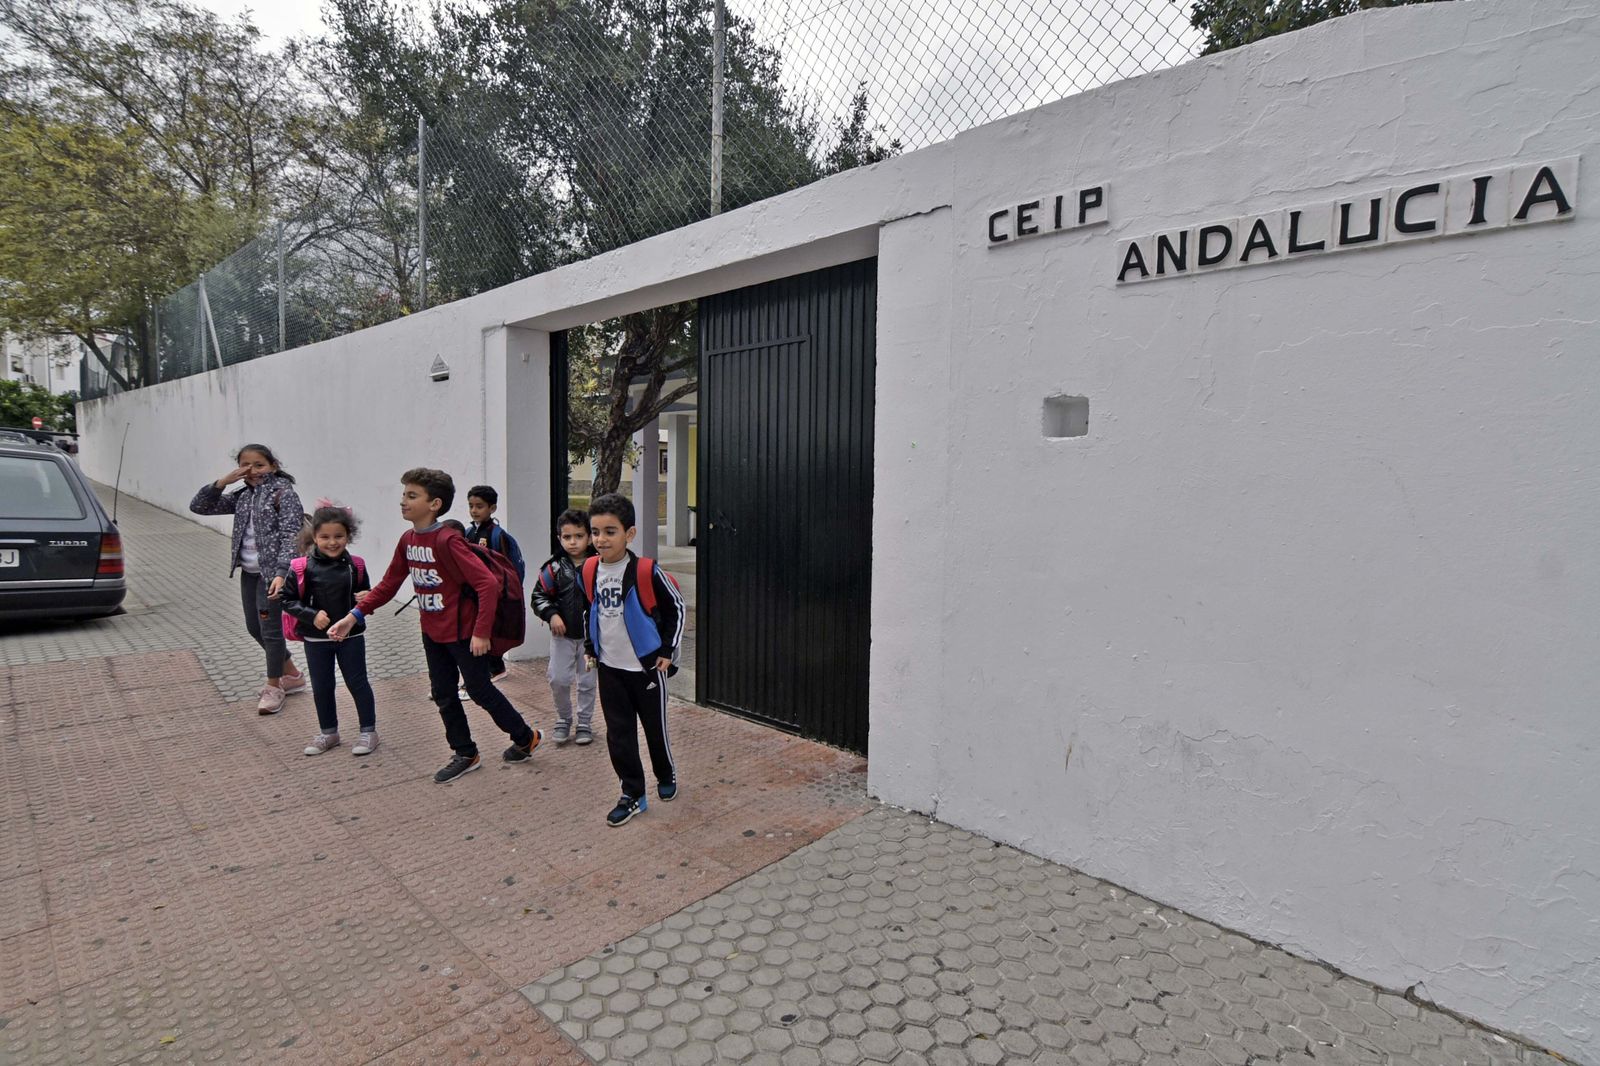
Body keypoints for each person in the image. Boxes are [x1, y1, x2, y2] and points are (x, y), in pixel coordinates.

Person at [327, 468, 542, 783]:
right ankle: (465, 752)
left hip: (465, 634)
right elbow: (388, 585)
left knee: (480, 691)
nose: (403, 501)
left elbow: (485, 584)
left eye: (412, 496)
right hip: (432, 632)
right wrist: (353, 617)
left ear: (435, 504)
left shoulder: (448, 540)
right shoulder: (408, 540)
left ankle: (525, 737)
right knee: (443, 693)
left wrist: (481, 632)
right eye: (404, 495)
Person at [581, 492, 684, 827]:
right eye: (595, 532)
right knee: (619, 734)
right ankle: (633, 794)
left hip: (646, 669)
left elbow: (676, 610)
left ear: (630, 534)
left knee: (655, 730)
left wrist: (667, 650)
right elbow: (591, 611)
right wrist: (590, 647)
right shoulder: (590, 569)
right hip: (610, 670)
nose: (600, 539)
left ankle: (665, 773)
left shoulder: (645, 571)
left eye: (610, 531)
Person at [190, 443, 308, 714]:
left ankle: (274, 686)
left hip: (273, 576)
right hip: (250, 573)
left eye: (259, 465)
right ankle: (292, 675)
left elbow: (293, 535)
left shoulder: (284, 494)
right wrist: (222, 482)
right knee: (254, 628)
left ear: (273, 466)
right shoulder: (242, 495)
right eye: (246, 465)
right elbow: (199, 506)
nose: (253, 471)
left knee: (271, 631)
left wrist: (281, 573)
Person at [279, 504, 378, 757]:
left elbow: (365, 601)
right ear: (314, 537)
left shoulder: (357, 565)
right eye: (325, 537)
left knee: (358, 683)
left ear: (348, 536)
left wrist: (366, 598)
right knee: (322, 686)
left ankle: (369, 732)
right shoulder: (301, 566)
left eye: (338, 536)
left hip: (351, 636)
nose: (332, 542)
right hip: (316, 639)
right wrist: (312, 616)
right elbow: (287, 600)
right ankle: (329, 732)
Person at [531, 508, 598, 746]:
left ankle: (584, 722)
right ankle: (564, 718)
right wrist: (551, 615)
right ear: (559, 538)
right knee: (558, 679)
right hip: (563, 637)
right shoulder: (553, 568)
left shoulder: (599, 565)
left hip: (591, 639)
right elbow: (538, 596)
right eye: (567, 537)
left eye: (579, 536)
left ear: (589, 537)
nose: (573, 542)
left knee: (587, 682)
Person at [465, 485, 524, 680]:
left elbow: (511, 569)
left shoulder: (498, 536)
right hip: (474, 593)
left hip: (495, 594)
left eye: (479, 506)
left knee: (492, 630)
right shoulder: (468, 533)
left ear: (492, 508)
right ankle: (481, 668)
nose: (474, 510)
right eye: (471, 506)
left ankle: (496, 668)